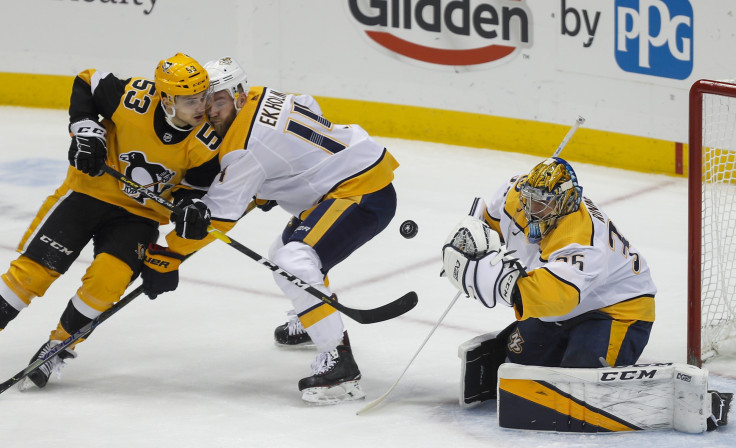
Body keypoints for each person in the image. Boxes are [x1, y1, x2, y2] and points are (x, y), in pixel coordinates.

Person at [0, 53, 222, 390]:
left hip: (139, 216)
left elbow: (193, 191)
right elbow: (87, 80)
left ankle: (58, 347)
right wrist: (87, 131)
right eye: (190, 100)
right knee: (35, 270)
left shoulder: (207, 141)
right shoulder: (133, 99)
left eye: (203, 97)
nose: (201, 106)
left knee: (108, 280)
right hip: (86, 194)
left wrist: (191, 211)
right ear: (166, 99)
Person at [161, 57, 400, 404]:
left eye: (219, 100)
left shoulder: (243, 148)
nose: (208, 110)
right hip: (351, 176)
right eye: (203, 100)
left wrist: (177, 241)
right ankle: (313, 316)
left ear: (239, 96)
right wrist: (288, 167)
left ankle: (341, 368)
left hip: (362, 191)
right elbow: (306, 105)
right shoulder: (263, 94)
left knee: (294, 260)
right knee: (282, 253)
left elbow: (222, 214)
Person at [442, 157, 656, 369]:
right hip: (570, 305)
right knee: (517, 359)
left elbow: (555, 296)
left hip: (617, 309)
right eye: (529, 198)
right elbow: (490, 226)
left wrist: (502, 285)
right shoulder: (514, 195)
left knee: (579, 376)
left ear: (565, 202)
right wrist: (471, 244)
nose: (532, 209)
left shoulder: (583, 241)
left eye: (543, 203)